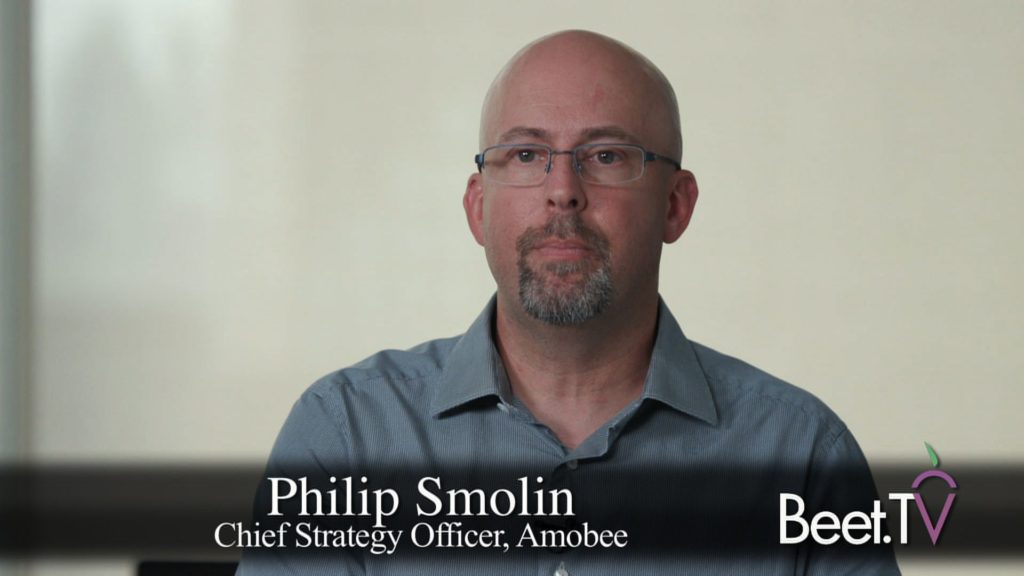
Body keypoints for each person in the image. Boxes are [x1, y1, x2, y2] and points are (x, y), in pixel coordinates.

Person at [237, 30, 900, 575]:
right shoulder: (345, 436)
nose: (562, 190)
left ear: (676, 205)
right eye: (526, 154)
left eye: (606, 155)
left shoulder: (802, 457)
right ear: (477, 207)